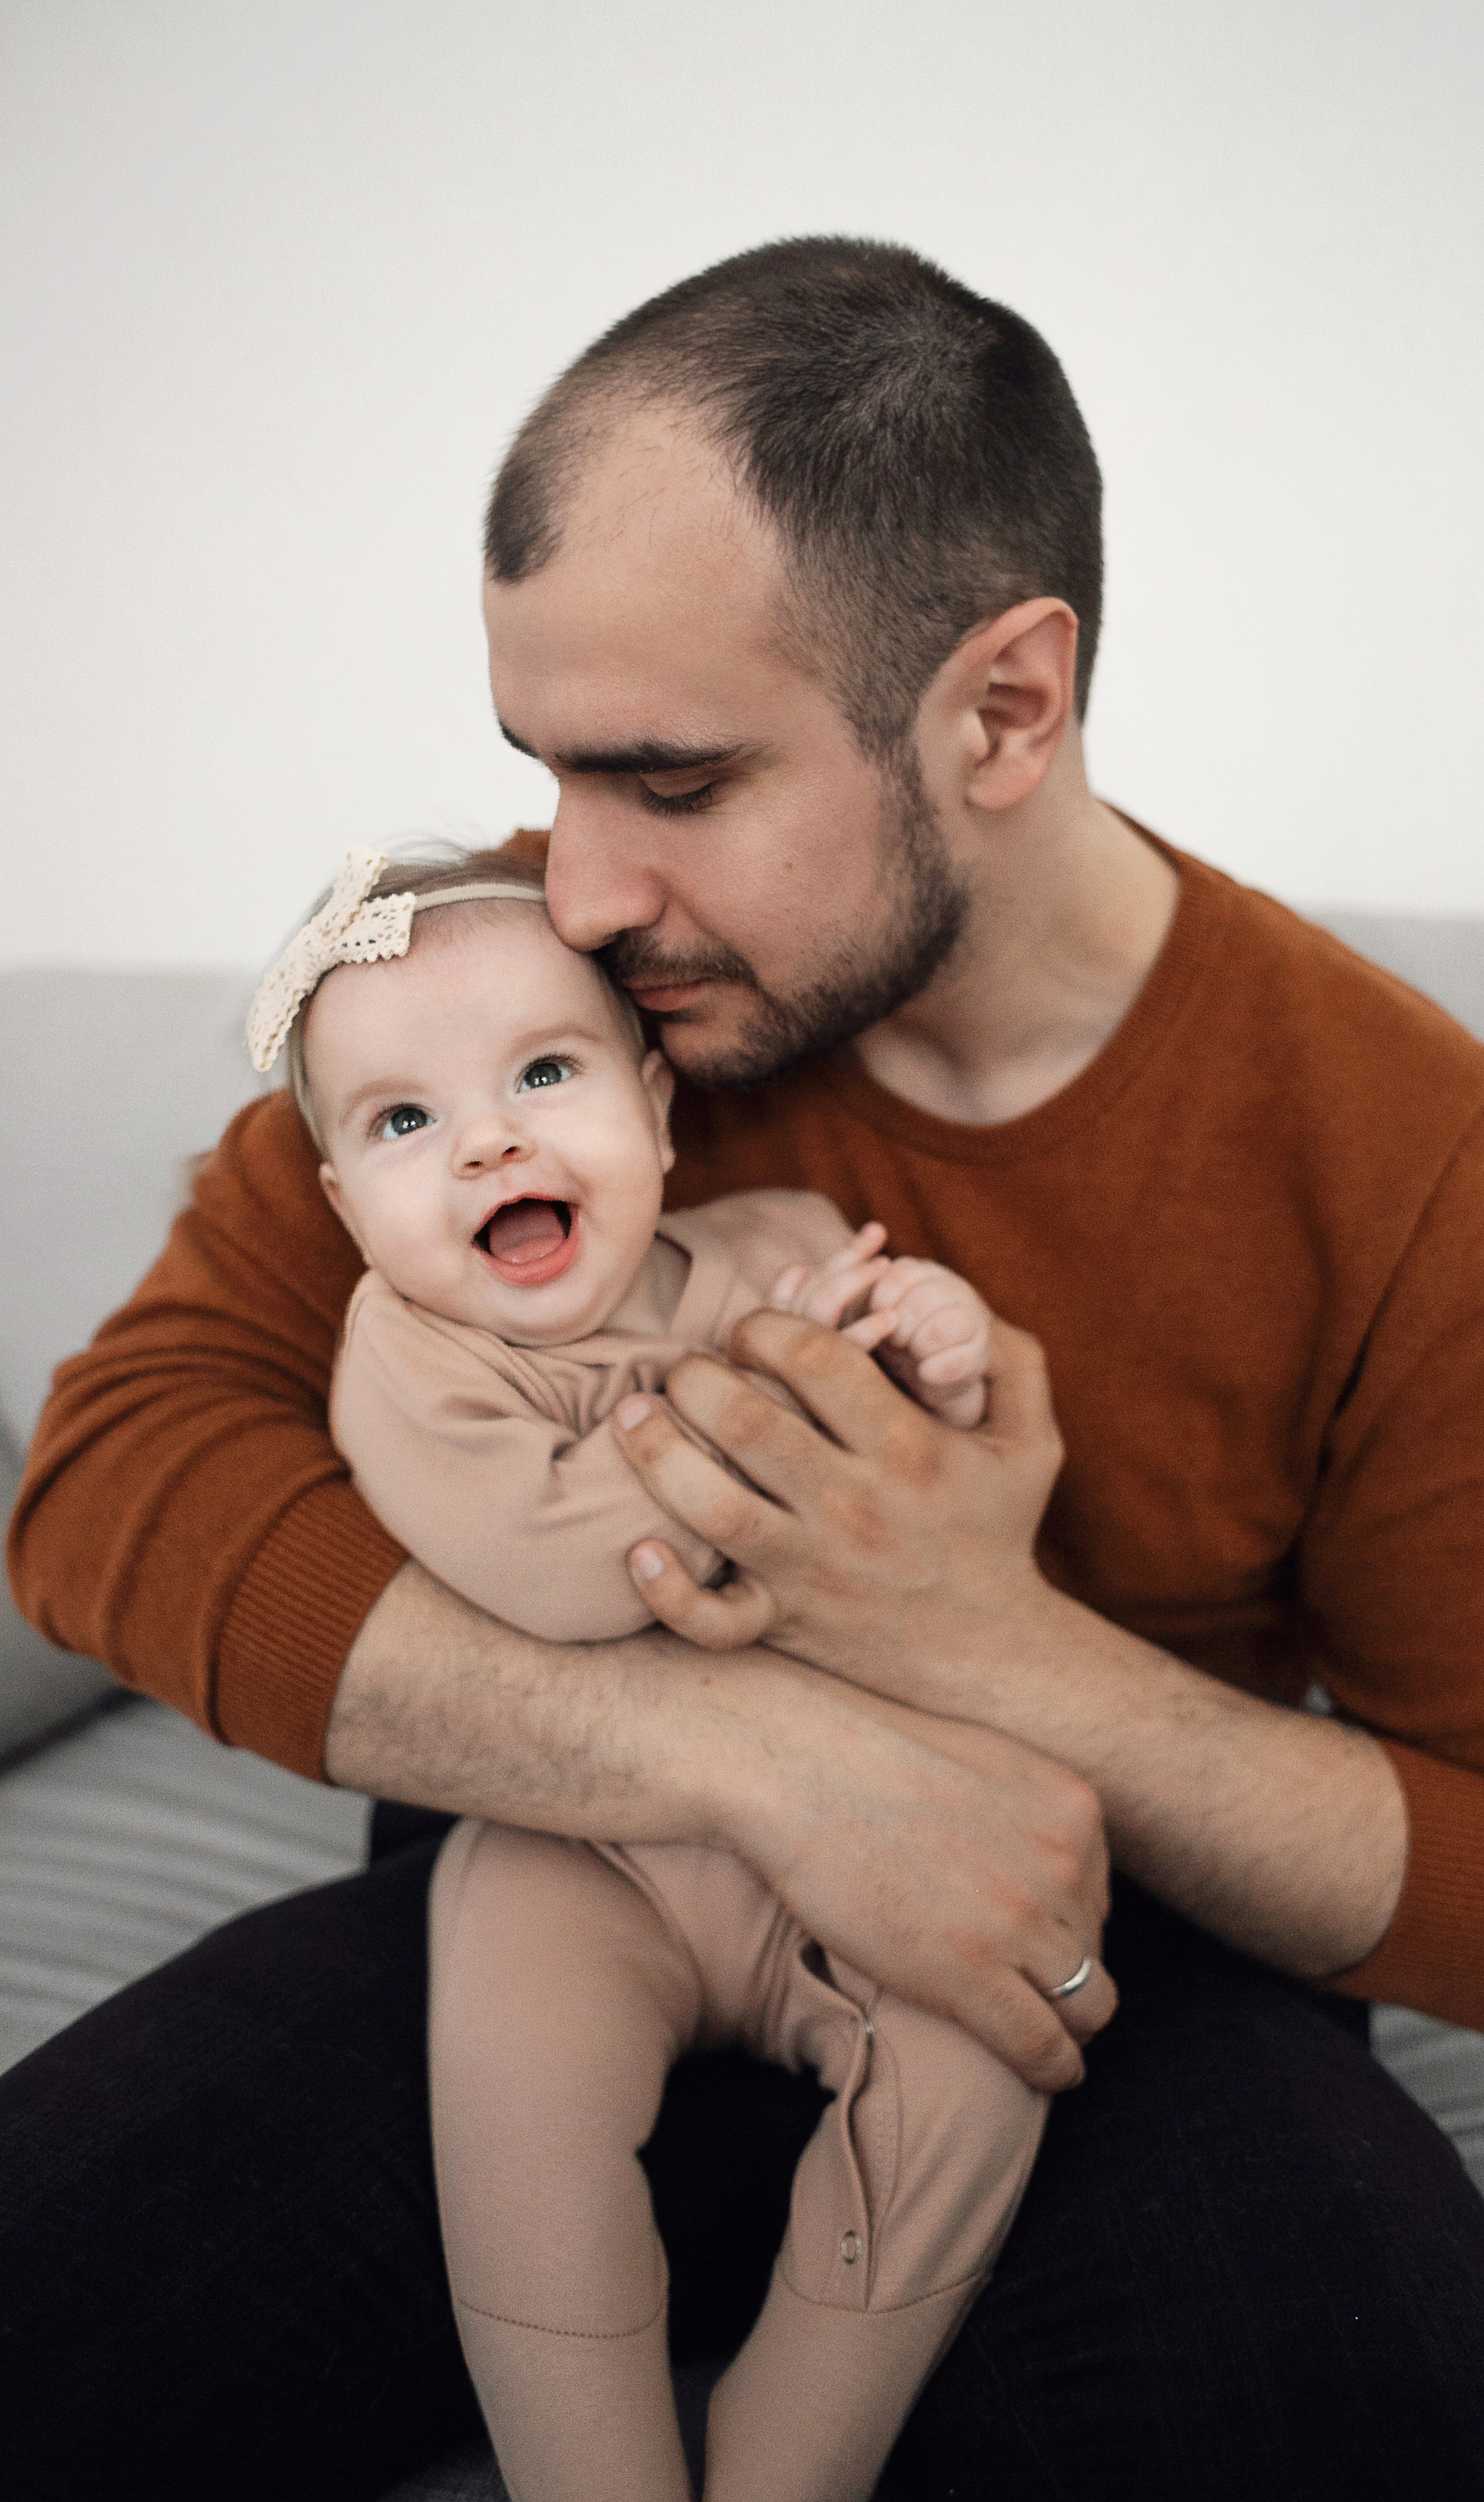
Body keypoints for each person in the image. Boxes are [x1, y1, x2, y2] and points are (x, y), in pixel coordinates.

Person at [4, 237, 1484, 2501]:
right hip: (545, 1904)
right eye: (545, 771)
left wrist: (993, 1656)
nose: (573, 883)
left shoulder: (1387, 1139)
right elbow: (112, 1479)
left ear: (1000, 711)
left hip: (1090, 1996)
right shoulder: (521, 1019)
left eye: (669, 779)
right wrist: (764, 1753)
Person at [257, 840, 1067, 2502]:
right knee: (518, 2128)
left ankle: (798, 2452)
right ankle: (593, 2472)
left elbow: (929, 1526)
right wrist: (779, 1400)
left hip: (861, 1843)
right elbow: (568, 1571)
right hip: (582, 1855)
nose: (486, 1138)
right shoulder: (416, 1355)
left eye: (543, 1074)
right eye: (402, 1124)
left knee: (980, 2063)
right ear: (346, 1201)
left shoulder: (775, 1248)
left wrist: (935, 1359)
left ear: (655, 1108)